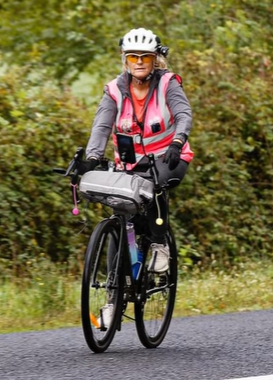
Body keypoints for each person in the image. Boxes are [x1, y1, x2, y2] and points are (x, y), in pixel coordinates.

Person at [79, 27, 194, 278]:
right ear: (125, 60)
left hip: (168, 156)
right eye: (133, 56)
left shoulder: (167, 83)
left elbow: (184, 115)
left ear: (155, 59)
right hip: (129, 164)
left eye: (145, 56)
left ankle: (159, 244)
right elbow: (101, 126)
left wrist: (177, 141)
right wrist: (92, 158)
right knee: (120, 219)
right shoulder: (114, 90)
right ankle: (112, 298)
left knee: (154, 186)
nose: (139, 62)